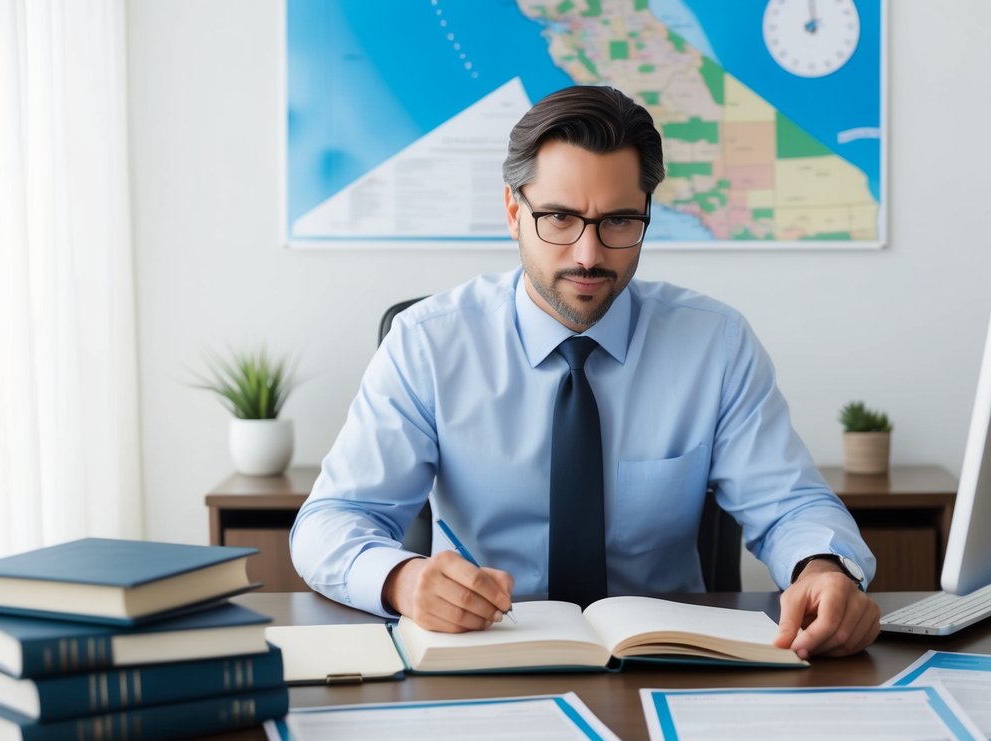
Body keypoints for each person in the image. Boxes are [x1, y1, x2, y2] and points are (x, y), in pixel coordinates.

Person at [291, 85, 880, 659]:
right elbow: (331, 521)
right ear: (512, 210)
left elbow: (790, 504)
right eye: (559, 218)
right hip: (481, 657)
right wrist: (402, 579)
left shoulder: (715, 344)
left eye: (619, 221)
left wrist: (823, 569)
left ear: (647, 212)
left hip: (666, 661)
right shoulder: (427, 342)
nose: (588, 254)